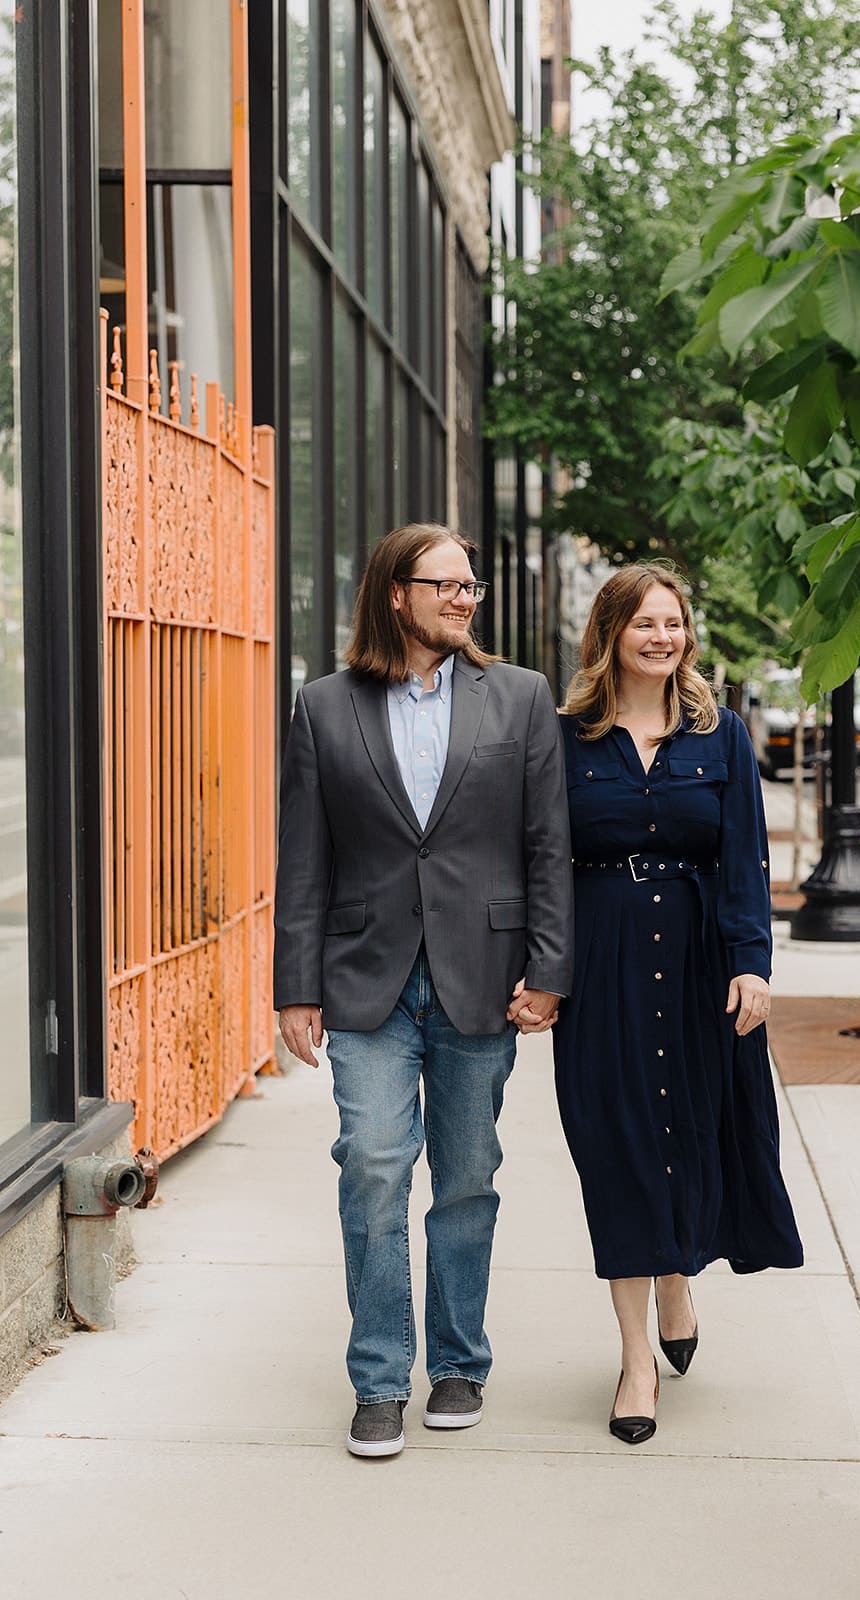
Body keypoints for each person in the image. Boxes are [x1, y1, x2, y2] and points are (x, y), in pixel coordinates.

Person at [274, 522, 572, 1459]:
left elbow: (546, 846)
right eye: (445, 585)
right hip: (366, 979)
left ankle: (456, 1363)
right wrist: (294, 984)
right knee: (370, 1165)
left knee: (466, 1176)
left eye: (471, 586)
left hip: (481, 977)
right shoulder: (323, 707)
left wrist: (550, 968)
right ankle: (376, 1378)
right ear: (394, 593)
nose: (464, 599)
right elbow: (304, 857)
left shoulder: (520, 699)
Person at [552, 563, 803, 1445]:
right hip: (603, 964)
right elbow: (541, 868)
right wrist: (542, 971)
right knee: (614, 1145)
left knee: (691, 1131)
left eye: (673, 624)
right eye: (643, 624)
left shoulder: (720, 735)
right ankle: (633, 1362)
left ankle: (675, 1276)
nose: (661, 638)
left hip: (699, 963)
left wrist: (751, 962)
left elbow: (744, 858)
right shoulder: (566, 738)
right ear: (610, 632)